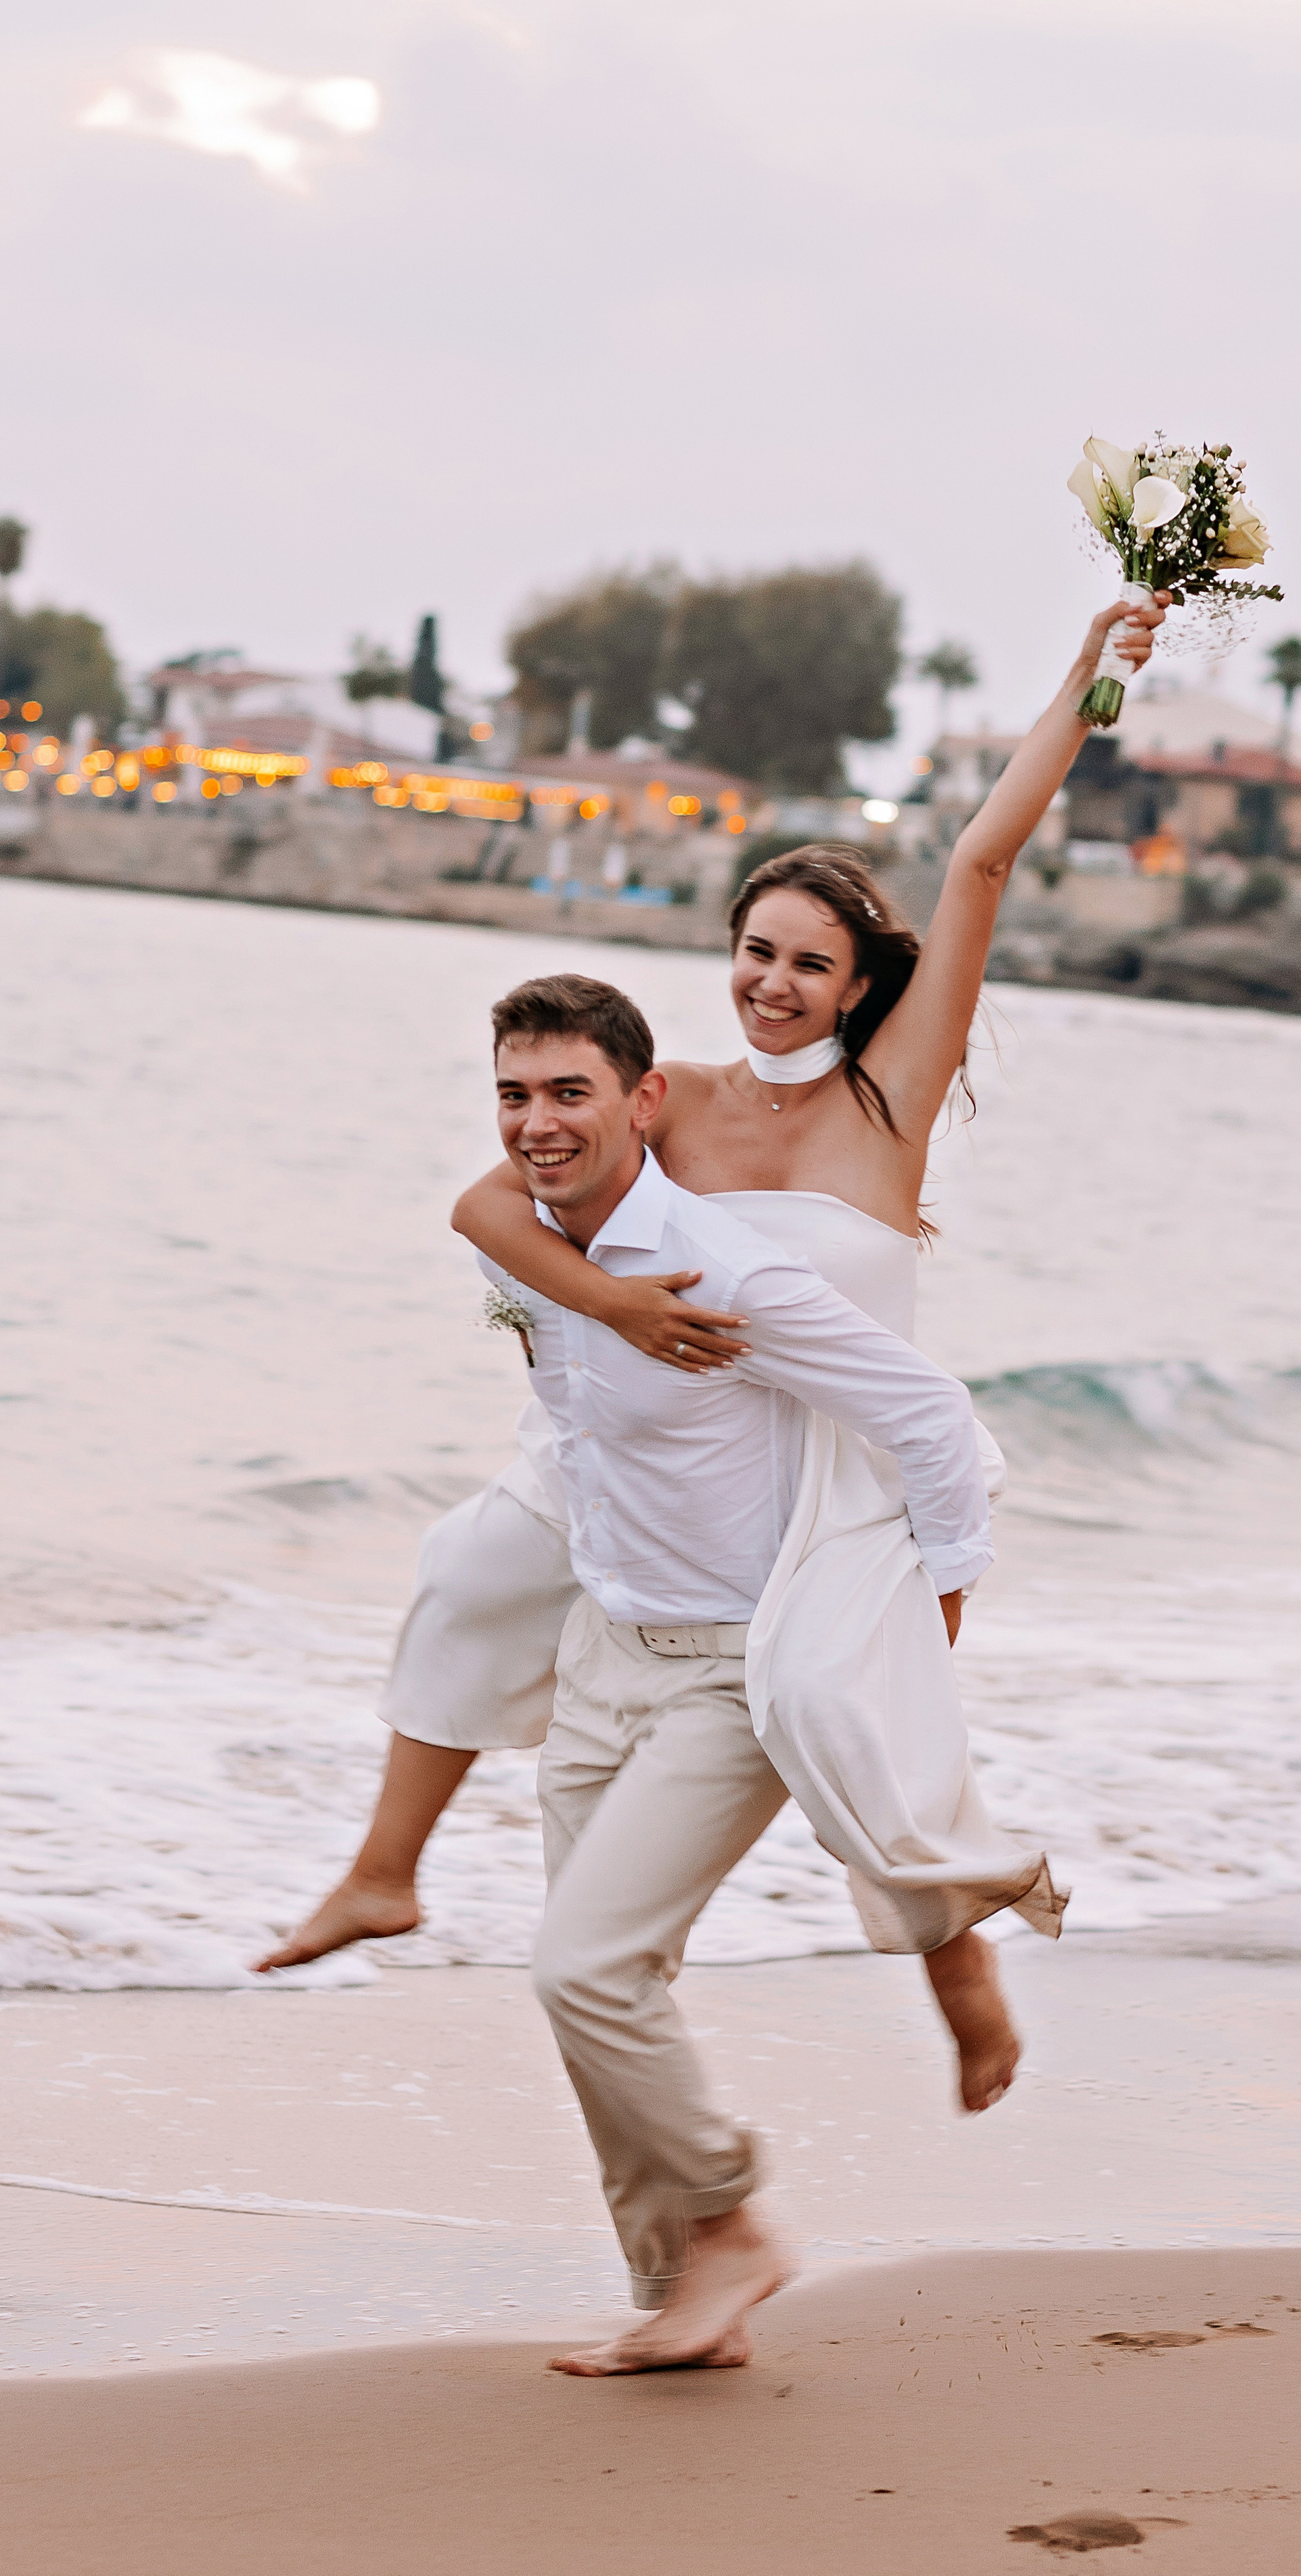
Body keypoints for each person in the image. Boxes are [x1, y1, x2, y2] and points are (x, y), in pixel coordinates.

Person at [258, 593, 1162, 2102]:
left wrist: (1087, 675)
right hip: (660, 1437)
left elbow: (979, 858)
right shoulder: (664, 1091)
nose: (770, 983)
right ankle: (382, 1871)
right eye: (752, 951)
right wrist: (611, 1308)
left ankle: (966, 1983)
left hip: (839, 1469)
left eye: (807, 963)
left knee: (851, 1737)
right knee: (468, 1573)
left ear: (857, 982)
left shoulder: (889, 1100)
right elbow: (492, 1198)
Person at [476, 975, 1001, 2373]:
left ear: (644, 1102)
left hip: (727, 1673)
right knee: (609, 1978)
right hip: (603, 1655)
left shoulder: (727, 1270)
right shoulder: (525, 1250)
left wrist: (930, 1612)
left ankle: (731, 2229)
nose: (536, 1123)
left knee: (577, 1969)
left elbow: (926, 1414)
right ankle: (679, 2287)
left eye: (567, 1092)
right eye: (514, 1095)